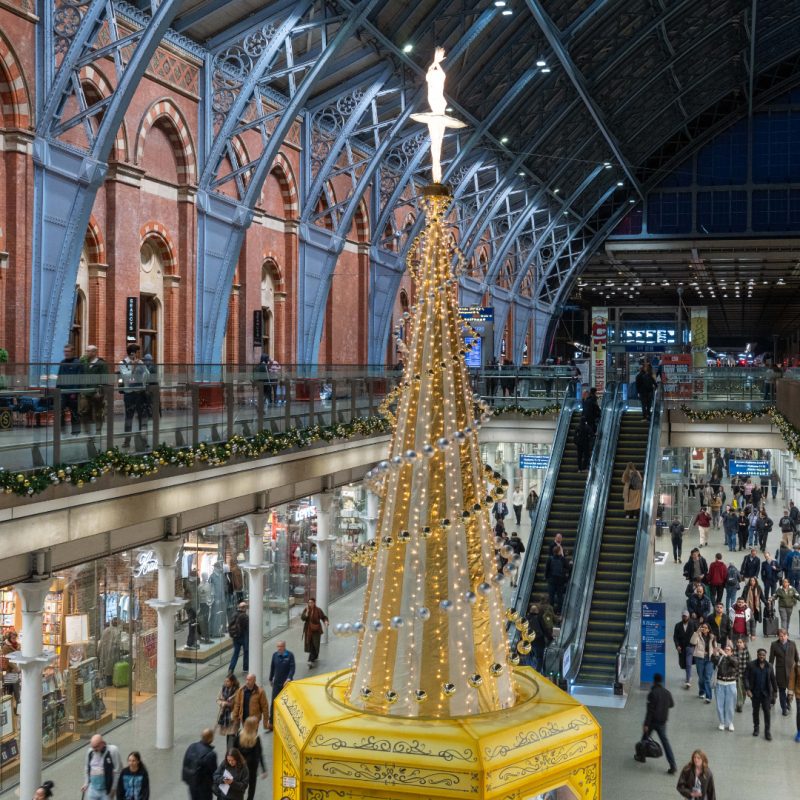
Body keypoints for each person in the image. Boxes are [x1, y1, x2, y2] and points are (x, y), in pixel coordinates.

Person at [637, 672, 677, 774]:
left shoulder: (652, 693)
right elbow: (672, 704)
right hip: (663, 723)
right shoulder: (667, 693)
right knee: (665, 743)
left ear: (654, 681)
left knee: (644, 739)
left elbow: (650, 711)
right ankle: (673, 765)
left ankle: (641, 756)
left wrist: (646, 724)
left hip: (652, 722)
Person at [118, 343, 149, 448]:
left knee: (142, 417)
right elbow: (126, 377)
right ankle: (127, 441)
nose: (138, 355)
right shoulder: (123, 363)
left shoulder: (140, 362)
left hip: (140, 393)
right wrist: (134, 367)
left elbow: (147, 375)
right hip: (129, 394)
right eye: (137, 352)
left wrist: (141, 367)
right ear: (132, 353)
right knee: (129, 418)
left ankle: (144, 440)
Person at [745, 647, 778, 740]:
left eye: (763, 655)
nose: (761, 656)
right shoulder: (751, 665)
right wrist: (748, 689)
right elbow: (746, 677)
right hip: (754, 693)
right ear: (757, 655)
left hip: (766, 694)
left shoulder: (769, 666)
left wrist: (775, 691)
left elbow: (773, 679)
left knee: (767, 712)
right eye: (760, 655)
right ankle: (756, 728)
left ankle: (767, 731)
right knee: (755, 711)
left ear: (765, 655)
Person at [233, 717, 266, 800]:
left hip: (240, 766)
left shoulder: (239, 735)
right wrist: (263, 769)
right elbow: (259, 754)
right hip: (252, 767)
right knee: (252, 786)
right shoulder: (256, 738)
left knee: (240, 784)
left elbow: (234, 749)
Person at [768, 628, 799, 718]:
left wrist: (798, 668)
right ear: (778, 636)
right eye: (780, 636)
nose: (782, 638)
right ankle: (784, 709)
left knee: (790, 692)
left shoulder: (792, 644)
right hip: (780, 672)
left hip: (791, 672)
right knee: (781, 691)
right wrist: (770, 671)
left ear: (787, 635)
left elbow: (797, 658)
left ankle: (788, 702)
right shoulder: (774, 645)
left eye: (784, 636)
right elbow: (771, 660)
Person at [79, 344, 109, 436]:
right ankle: (87, 432)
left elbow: (104, 379)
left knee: (98, 412)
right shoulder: (84, 362)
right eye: (86, 351)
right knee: (83, 411)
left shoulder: (101, 364)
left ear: (94, 352)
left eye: (88, 351)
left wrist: (100, 391)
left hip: (96, 392)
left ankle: (98, 431)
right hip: (85, 391)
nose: (87, 353)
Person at [82, 734, 123, 800]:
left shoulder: (113, 750)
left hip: (106, 791)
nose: (94, 749)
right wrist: (86, 783)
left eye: (96, 747)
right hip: (93, 789)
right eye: (93, 747)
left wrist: (113, 789)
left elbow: (118, 771)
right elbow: (87, 768)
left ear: (103, 743)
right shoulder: (90, 752)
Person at [267, 640, 295, 732]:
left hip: (286, 683)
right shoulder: (275, 655)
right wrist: (271, 678)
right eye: (278, 646)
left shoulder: (290, 655)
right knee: (274, 702)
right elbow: (272, 667)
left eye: (281, 646)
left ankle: (288, 721)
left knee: (287, 702)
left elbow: (292, 668)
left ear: (284, 646)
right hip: (277, 683)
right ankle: (271, 722)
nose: (279, 648)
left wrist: (289, 678)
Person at [182, 729, 218, 800]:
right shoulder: (211, 754)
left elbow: (185, 763)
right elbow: (214, 772)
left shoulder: (192, 746)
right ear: (211, 739)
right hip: (204, 787)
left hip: (192, 783)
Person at [57, 343, 83, 435]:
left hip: (73, 393)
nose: (66, 353)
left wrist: (74, 392)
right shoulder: (63, 362)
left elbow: (79, 379)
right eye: (65, 351)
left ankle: (76, 432)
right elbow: (59, 377)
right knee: (60, 411)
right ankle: (61, 430)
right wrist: (57, 390)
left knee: (74, 413)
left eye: (68, 351)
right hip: (63, 393)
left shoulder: (78, 363)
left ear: (73, 352)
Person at [689, 622, 717, 702]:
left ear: (708, 629)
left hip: (709, 659)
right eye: (702, 627)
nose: (704, 629)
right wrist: (697, 632)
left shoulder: (712, 637)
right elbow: (692, 642)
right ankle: (702, 691)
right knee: (701, 678)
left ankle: (708, 697)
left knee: (707, 678)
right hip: (700, 659)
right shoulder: (698, 635)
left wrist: (716, 656)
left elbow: (715, 648)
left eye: (705, 627)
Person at [714, 642, 737, 731]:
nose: (726, 651)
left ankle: (730, 722)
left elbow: (735, 663)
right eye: (725, 649)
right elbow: (713, 659)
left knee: (730, 705)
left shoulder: (734, 658)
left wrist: (726, 656)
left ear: (731, 652)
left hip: (731, 684)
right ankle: (722, 722)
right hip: (720, 683)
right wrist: (714, 653)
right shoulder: (720, 658)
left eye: (728, 650)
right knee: (720, 704)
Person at [301, 597, 329, 667]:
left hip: (316, 630)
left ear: (314, 603)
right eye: (309, 603)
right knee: (310, 644)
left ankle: (311, 659)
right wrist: (306, 613)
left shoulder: (318, 610)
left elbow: (323, 617)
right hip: (308, 630)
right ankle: (312, 659)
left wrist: (325, 621)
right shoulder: (306, 610)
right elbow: (302, 618)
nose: (310, 604)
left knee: (315, 644)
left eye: (311, 603)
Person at [673, 610, 697, 689]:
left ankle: (688, 680)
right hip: (682, 648)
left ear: (688, 616)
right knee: (684, 664)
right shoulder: (678, 625)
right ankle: (688, 676)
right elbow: (675, 637)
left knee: (688, 663)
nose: (684, 617)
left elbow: (697, 633)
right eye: (683, 616)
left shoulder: (693, 624)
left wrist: (696, 644)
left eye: (686, 616)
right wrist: (677, 646)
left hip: (690, 647)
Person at [216, 673, 240, 748]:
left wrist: (228, 704)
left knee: (232, 734)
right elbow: (217, 699)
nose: (225, 683)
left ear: (232, 682)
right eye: (225, 681)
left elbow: (237, 703)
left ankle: (231, 752)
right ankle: (230, 752)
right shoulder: (223, 689)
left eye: (227, 681)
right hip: (225, 716)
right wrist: (222, 703)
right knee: (229, 734)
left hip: (233, 716)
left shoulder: (237, 691)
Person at [98, 618, 123, 687]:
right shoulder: (117, 632)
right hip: (113, 653)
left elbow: (101, 642)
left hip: (105, 652)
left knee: (105, 666)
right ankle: (110, 682)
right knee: (111, 668)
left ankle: (105, 682)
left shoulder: (106, 630)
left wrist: (99, 652)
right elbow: (118, 644)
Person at [545, 544, 569, 614]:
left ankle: (551, 611)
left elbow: (547, 569)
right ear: (559, 552)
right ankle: (559, 611)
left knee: (551, 597)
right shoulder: (562, 559)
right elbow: (567, 568)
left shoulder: (550, 558)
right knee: (560, 597)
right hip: (560, 581)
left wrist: (547, 577)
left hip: (551, 581)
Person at [227, 601, 249, 674]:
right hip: (243, 637)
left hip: (235, 637)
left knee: (235, 653)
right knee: (246, 651)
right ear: (244, 608)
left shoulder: (234, 614)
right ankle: (245, 668)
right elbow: (247, 628)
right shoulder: (245, 616)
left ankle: (231, 669)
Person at [741, 576, 764, 640]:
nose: (752, 582)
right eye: (751, 581)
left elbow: (762, 596)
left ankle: (753, 632)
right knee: (748, 619)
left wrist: (766, 602)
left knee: (755, 620)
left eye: (753, 581)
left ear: (756, 581)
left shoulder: (758, 588)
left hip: (756, 607)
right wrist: (742, 602)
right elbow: (743, 596)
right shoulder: (746, 588)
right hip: (748, 606)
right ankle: (748, 632)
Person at [734, 637, 751, 713]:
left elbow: (750, 663)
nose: (739, 644)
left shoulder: (746, 652)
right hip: (736, 674)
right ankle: (739, 704)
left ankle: (741, 702)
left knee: (744, 690)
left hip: (745, 674)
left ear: (744, 643)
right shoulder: (734, 651)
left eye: (741, 642)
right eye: (738, 642)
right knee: (739, 689)